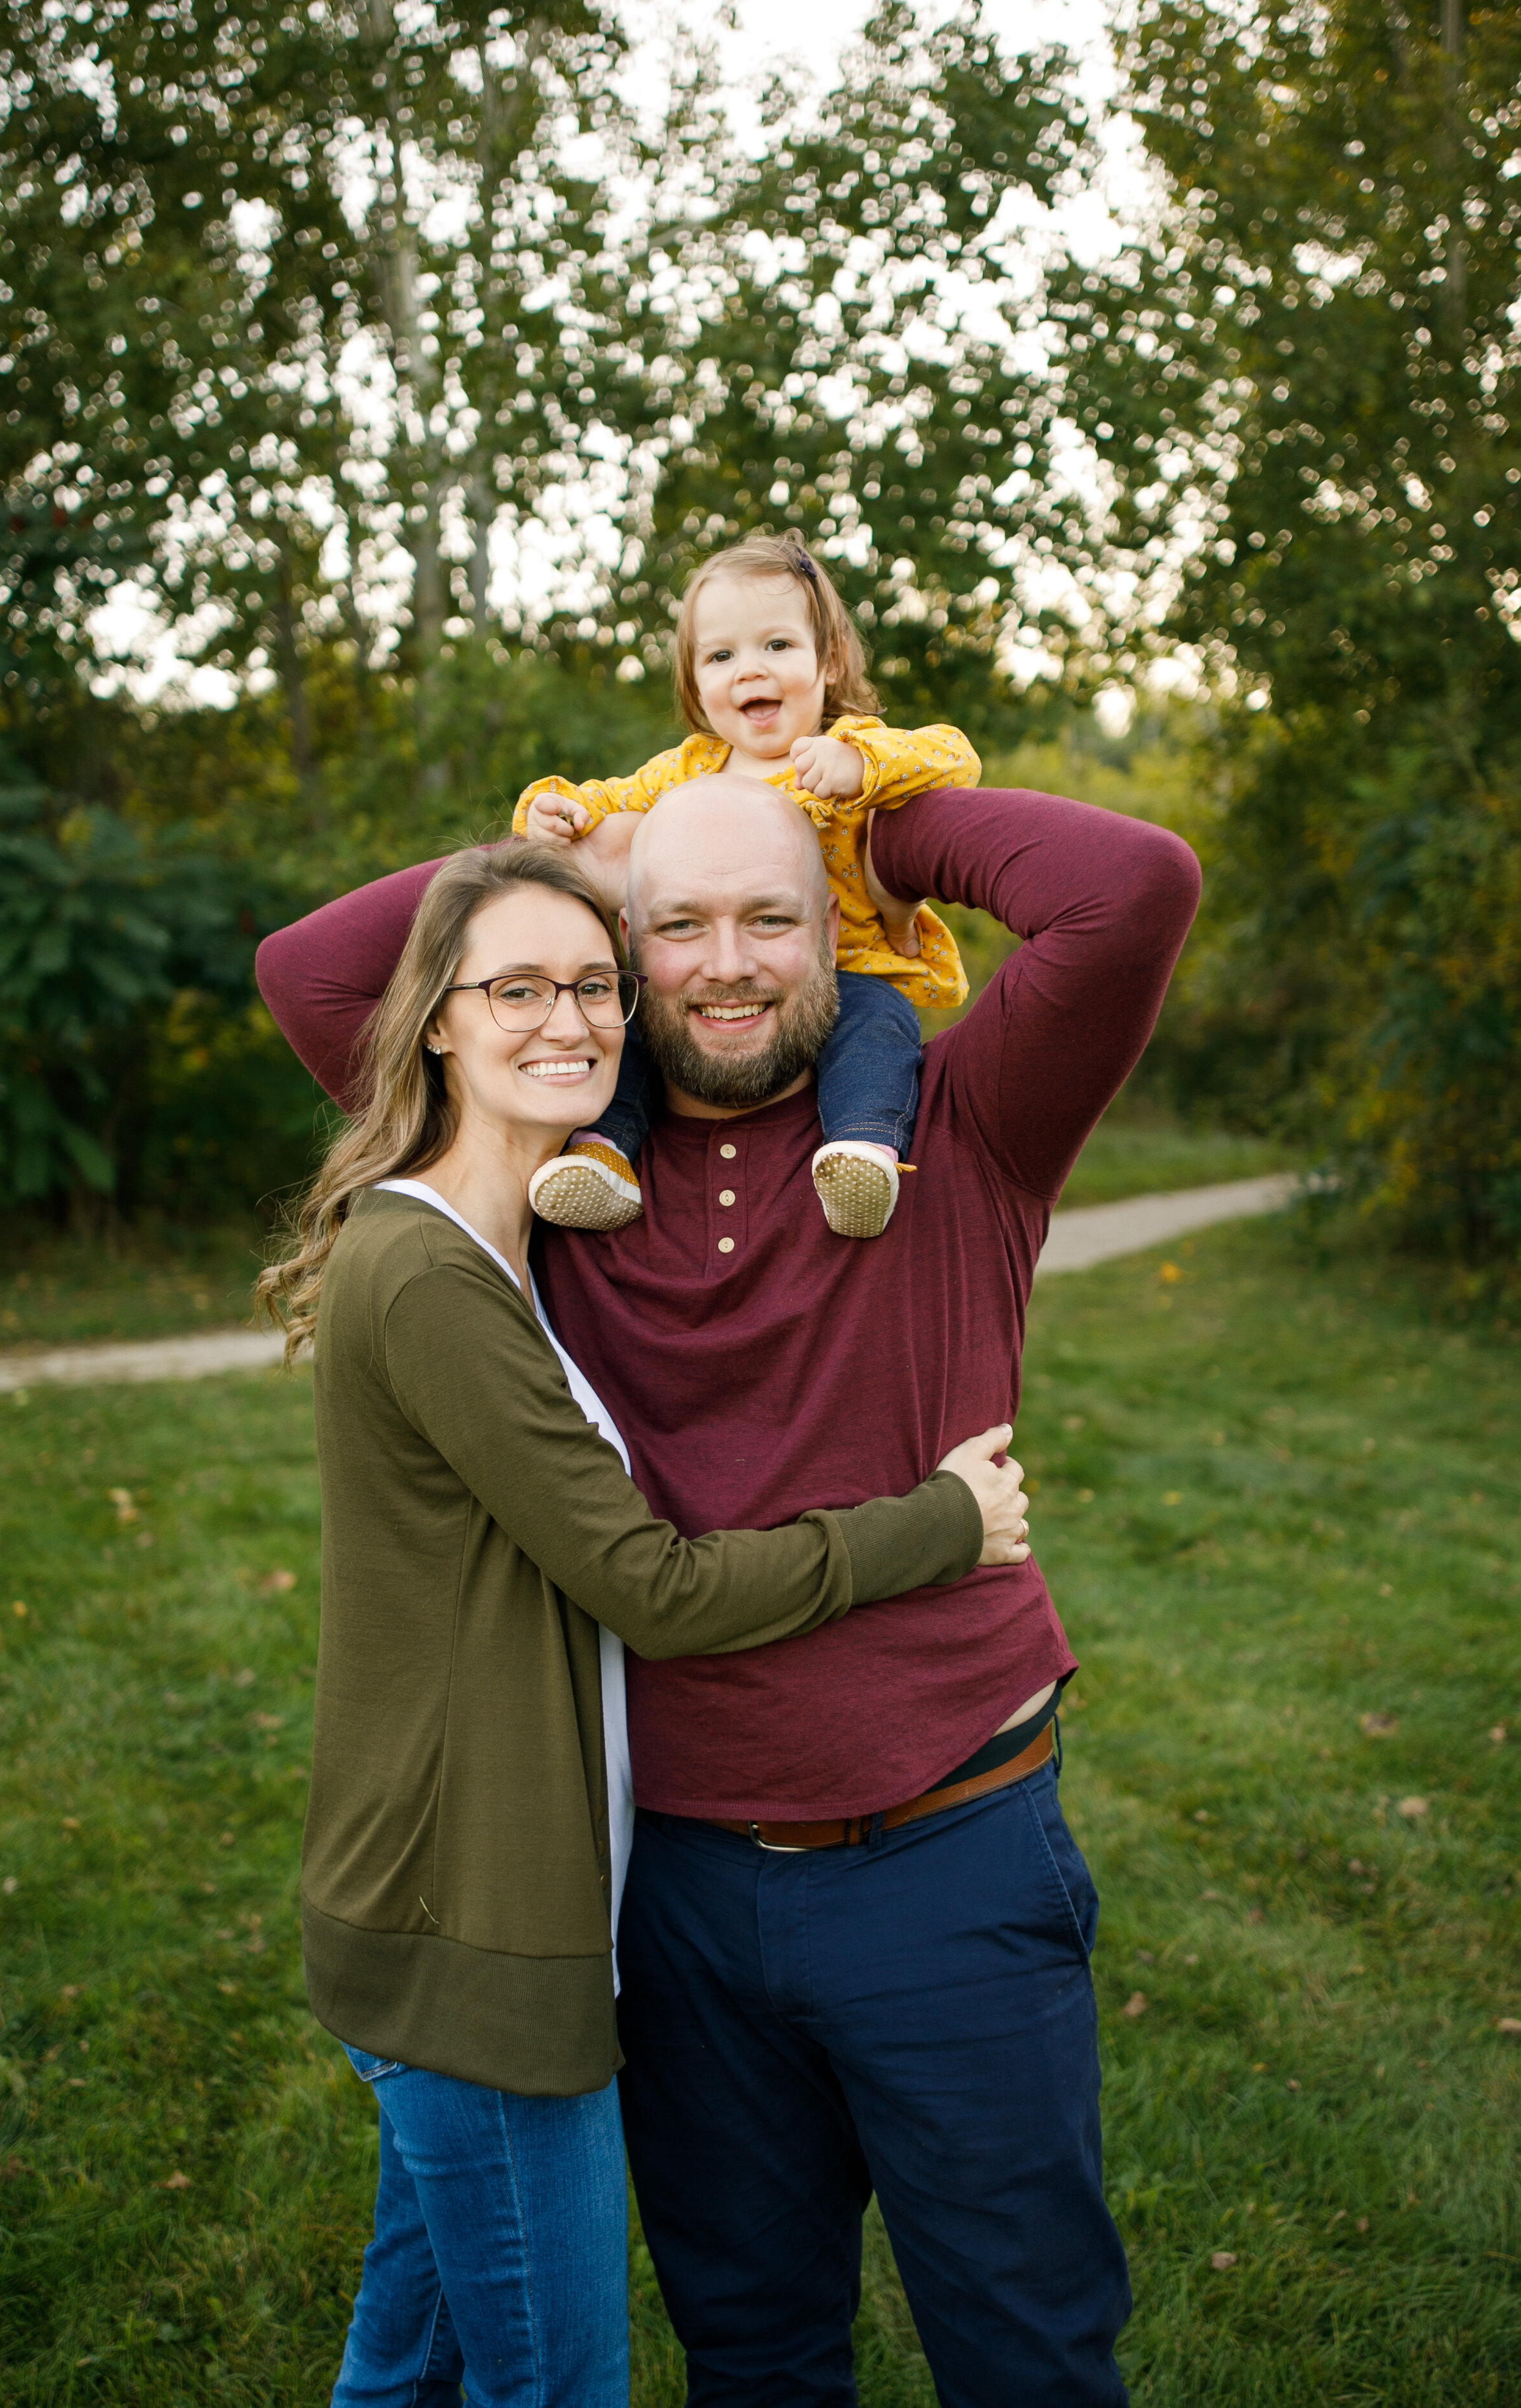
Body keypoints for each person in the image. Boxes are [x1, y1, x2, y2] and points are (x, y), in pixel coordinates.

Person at [256, 766, 1202, 2405]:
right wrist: (576, 851)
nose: (726, 961)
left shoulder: (959, 1127)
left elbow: (1134, 885)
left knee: (1031, 2346)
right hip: (671, 1888)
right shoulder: (565, 1164)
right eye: (674, 927)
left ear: (840, 936)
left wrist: (861, 817)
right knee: (754, 2352)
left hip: (947, 1849)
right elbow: (323, 975)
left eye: (773, 918)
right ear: (624, 955)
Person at [513, 534, 981, 1241]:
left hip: (842, 966)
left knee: (878, 1028)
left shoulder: (846, 746)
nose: (749, 671)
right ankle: (602, 1155)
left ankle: (862, 1152)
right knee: (633, 1025)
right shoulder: (686, 772)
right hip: (706, 982)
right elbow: (603, 809)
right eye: (721, 656)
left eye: (776, 647)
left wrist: (861, 766)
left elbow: (954, 756)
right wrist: (548, 815)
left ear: (826, 661)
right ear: (696, 683)